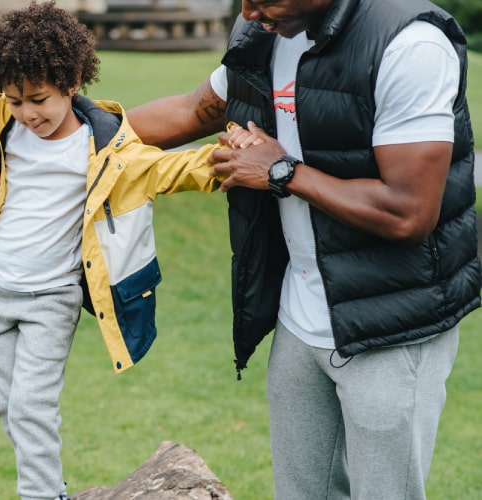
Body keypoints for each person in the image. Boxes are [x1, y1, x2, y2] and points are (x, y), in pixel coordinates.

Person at [127, 0, 480, 498]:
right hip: (300, 318)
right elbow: (192, 110)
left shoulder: (410, 45)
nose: (247, 12)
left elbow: (409, 213)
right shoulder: (263, 33)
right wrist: (71, 133)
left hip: (393, 324)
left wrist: (281, 171)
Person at [0, 2, 231, 498]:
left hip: (51, 298)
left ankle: (42, 495)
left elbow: (174, 169)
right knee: (8, 405)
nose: (27, 112)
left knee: (31, 406)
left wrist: (231, 158)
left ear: (72, 80)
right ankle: (48, 480)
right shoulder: (3, 119)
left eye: (38, 98)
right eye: (15, 100)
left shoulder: (107, 148)